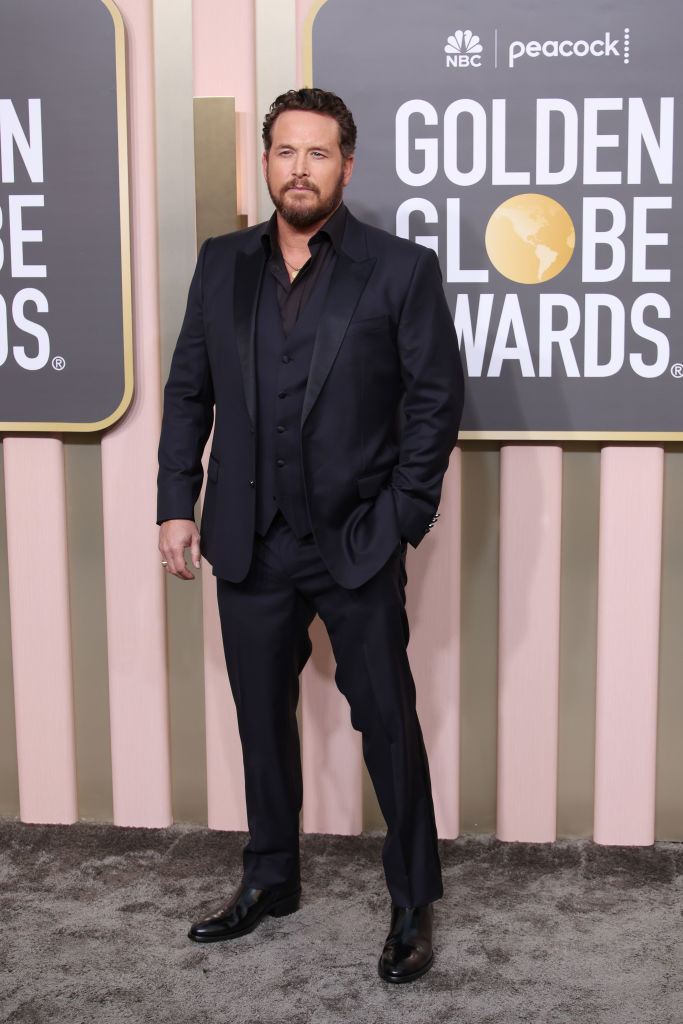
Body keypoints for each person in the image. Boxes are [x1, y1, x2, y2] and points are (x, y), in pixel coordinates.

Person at [157, 88, 464, 984]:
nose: (299, 168)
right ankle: (271, 878)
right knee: (261, 719)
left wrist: (401, 516)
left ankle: (412, 901)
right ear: (266, 162)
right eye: (284, 152)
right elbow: (187, 392)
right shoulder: (220, 266)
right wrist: (178, 503)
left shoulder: (399, 269)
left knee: (389, 727)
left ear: (347, 164)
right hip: (248, 542)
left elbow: (434, 403)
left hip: (356, 542)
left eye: (318, 153)